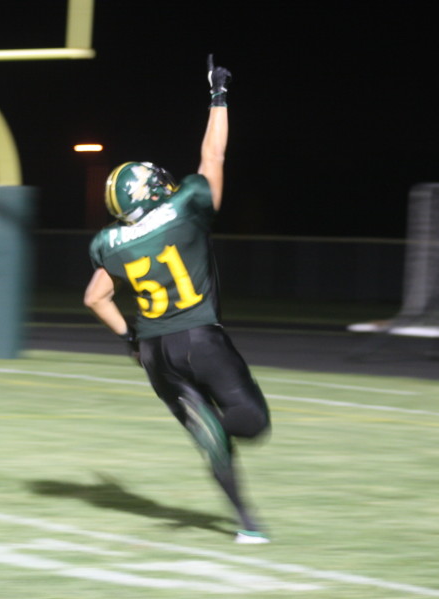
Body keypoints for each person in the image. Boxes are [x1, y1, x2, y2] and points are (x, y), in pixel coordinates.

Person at [84, 55, 272, 544]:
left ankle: (247, 525)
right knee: (252, 423)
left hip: (153, 352)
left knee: (209, 440)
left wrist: (128, 338)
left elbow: (95, 297)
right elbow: (213, 158)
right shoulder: (185, 204)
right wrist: (218, 94)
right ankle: (219, 425)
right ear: (153, 188)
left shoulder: (110, 241)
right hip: (200, 337)